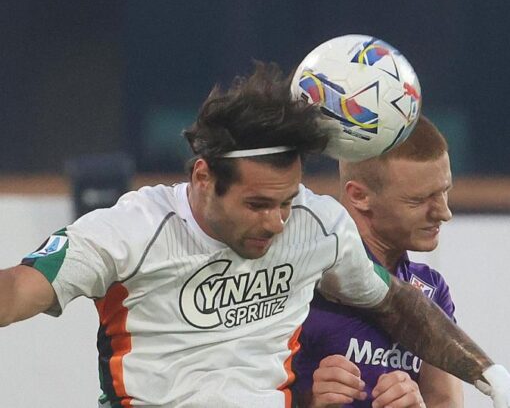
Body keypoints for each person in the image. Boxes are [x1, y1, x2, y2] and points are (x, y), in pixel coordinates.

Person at [0, 63, 509, 408]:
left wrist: (491, 377)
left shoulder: (319, 226)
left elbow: (397, 304)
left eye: (286, 201)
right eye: (257, 205)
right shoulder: (130, 231)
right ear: (203, 177)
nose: (276, 222)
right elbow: (21, 289)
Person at [292, 116, 464, 408]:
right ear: (359, 196)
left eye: (444, 191)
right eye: (419, 200)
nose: (443, 212)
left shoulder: (431, 290)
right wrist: (306, 402)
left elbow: (447, 401)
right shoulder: (302, 279)